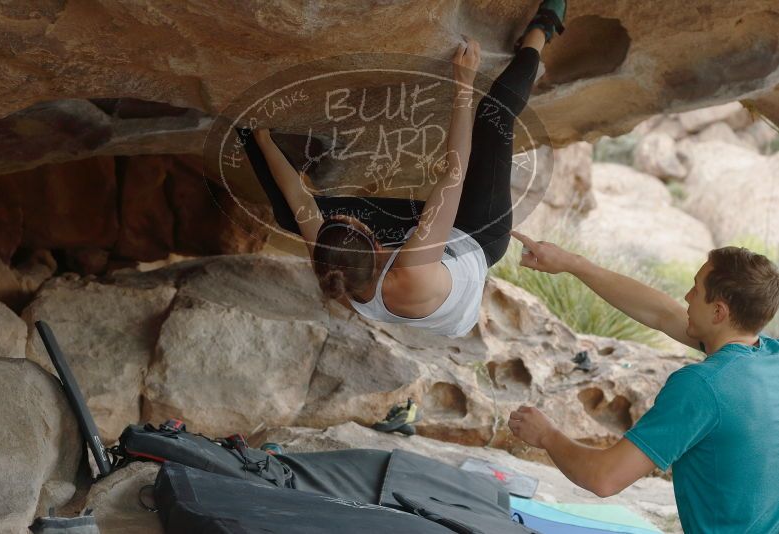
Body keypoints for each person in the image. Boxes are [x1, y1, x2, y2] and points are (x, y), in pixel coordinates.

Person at [238, 0, 568, 338]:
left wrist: (259, 138)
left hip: (426, 260)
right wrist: (463, 82)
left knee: (290, 215)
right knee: (492, 116)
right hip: (480, 237)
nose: (354, 217)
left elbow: (299, 200)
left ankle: (244, 133)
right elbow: (455, 172)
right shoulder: (413, 267)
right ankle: (541, 31)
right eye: (358, 225)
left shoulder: (334, 267)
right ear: (379, 243)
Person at [507, 231, 779, 533]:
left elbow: (604, 478)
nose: (687, 297)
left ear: (718, 312)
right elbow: (662, 313)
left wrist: (546, 435)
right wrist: (573, 263)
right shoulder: (768, 357)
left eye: (695, 290)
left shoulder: (703, 387)